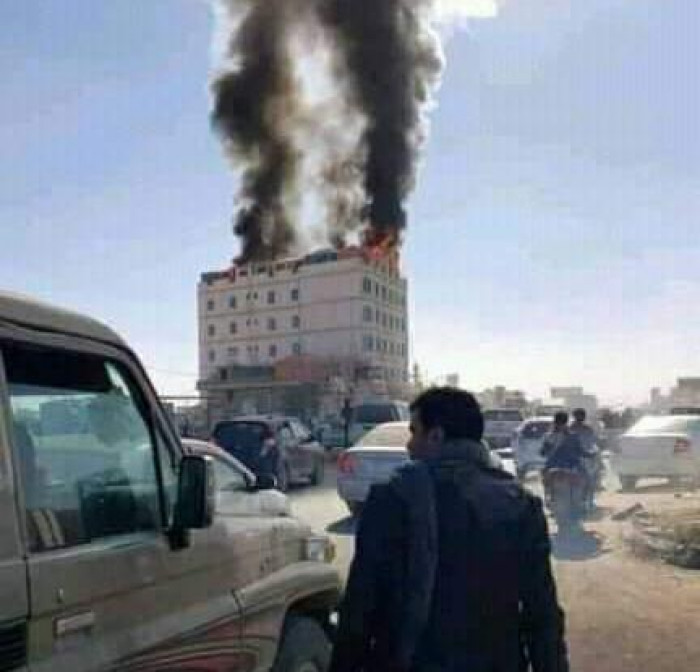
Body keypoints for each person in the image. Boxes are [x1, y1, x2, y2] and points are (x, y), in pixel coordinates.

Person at [330, 387, 569, 672]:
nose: (409, 445)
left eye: (414, 432)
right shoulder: (520, 503)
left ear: (436, 436)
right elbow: (541, 611)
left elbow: (360, 605)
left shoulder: (393, 499)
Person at [569, 408, 602, 511]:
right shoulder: (587, 429)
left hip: (574, 459)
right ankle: (589, 503)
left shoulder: (570, 428)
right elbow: (593, 443)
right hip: (583, 459)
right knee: (590, 480)